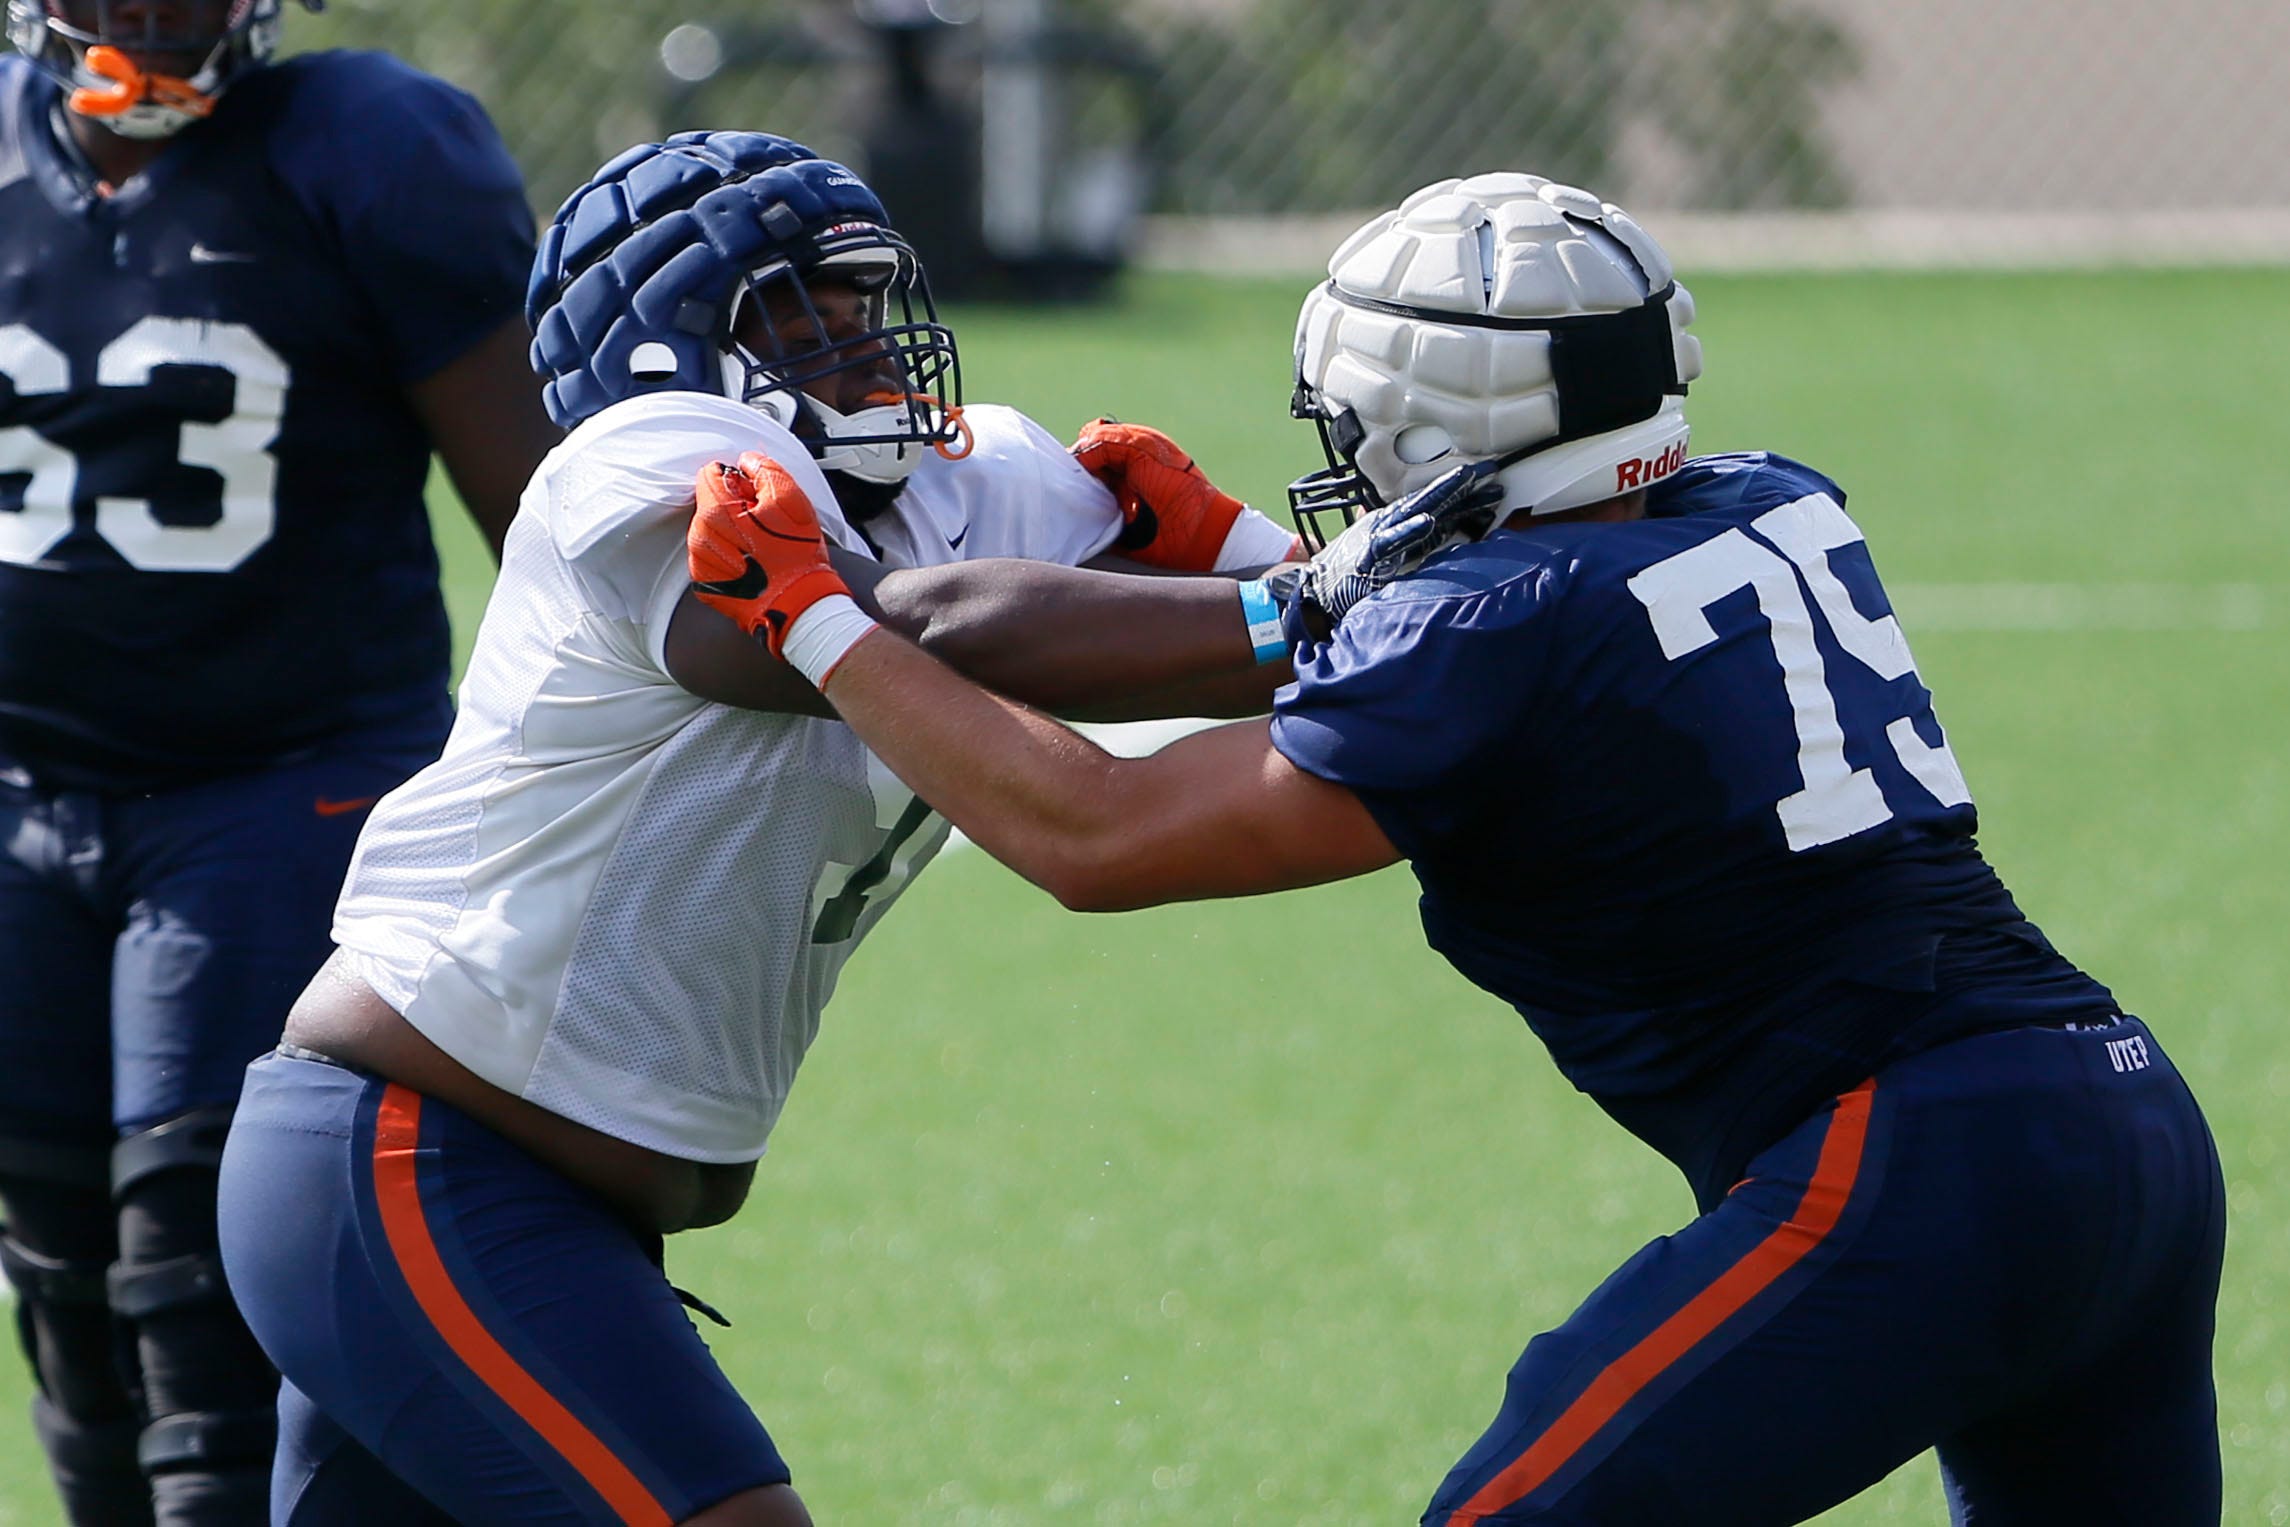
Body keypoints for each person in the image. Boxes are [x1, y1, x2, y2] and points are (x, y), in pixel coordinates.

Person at [715, 172, 2227, 1525]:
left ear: (1426, 429)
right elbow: (1505, 631)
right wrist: (1280, 573)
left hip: (1910, 1170)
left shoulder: (1493, 622)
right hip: (2123, 1125)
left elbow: (1100, 837)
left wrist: (821, 624)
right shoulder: (1769, 496)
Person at [212, 128, 1300, 1525]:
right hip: (414, 1161)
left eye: (868, 311)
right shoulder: (644, 456)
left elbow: (1292, 644)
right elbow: (847, 631)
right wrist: (1290, 608)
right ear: (665, 345)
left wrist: (1321, 572)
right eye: (805, 321)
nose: (867, 352)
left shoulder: (970, 482)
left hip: (551, 1204)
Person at [0, 2, 559, 1522]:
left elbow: (544, 525)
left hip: (281, 776)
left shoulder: (363, 147)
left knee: (196, 1263)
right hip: (22, 791)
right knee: (59, 1265)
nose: (160, 21)